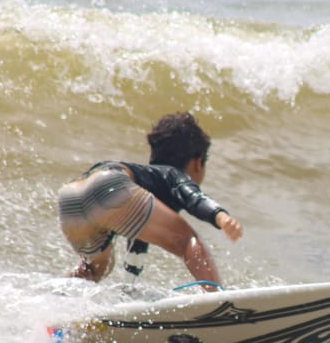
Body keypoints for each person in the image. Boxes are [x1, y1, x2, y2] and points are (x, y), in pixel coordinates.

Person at [57, 112, 243, 289]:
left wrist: (130, 291)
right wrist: (221, 217)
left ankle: (57, 299)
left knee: (95, 270)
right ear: (198, 162)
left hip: (70, 197)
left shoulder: (144, 190)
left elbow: (137, 245)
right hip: (109, 184)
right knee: (187, 241)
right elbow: (195, 199)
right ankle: (219, 301)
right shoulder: (173, 175)